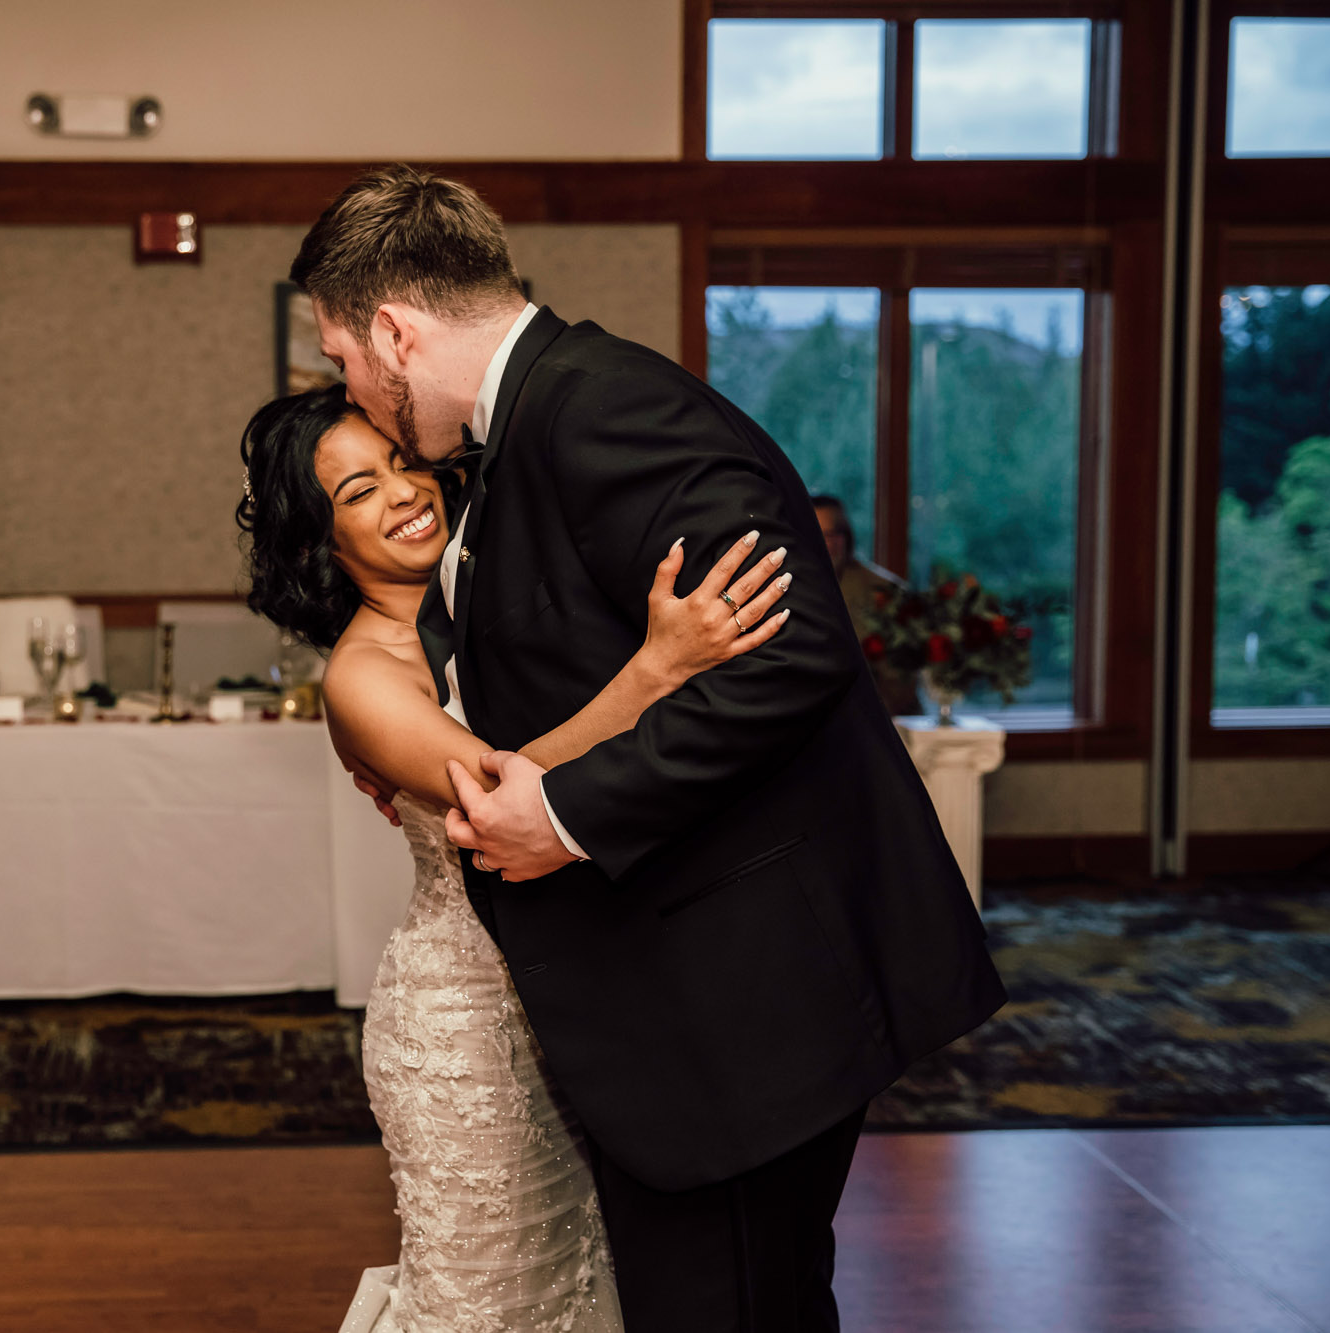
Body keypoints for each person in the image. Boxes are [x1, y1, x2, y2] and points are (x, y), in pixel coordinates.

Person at [290, 166, 1005, 1332]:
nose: (357, 392)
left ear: (392, 329)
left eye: (343, 359)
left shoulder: (600, 405)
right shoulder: (528, 426)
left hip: (737, 1004)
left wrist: (563, 812)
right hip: (682, 1004)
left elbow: (791, 652)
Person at [240, 385, 792, 1331]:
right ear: (314, 544)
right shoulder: (364, 675)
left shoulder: (498, 596)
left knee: (586, 1280)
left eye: (404, 462)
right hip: (467, 1031)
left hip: (593, 1004)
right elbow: (499, 798)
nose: (407, 491)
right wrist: (656, 669)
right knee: (491, 1297)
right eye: (360, 490)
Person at [812, 494, 921, 717]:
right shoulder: (785, 588)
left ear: (846, 537)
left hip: (879, 719)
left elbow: (902, 679)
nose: (828, 544)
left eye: (834, 534)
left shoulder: (884, 592)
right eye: (819, 535)